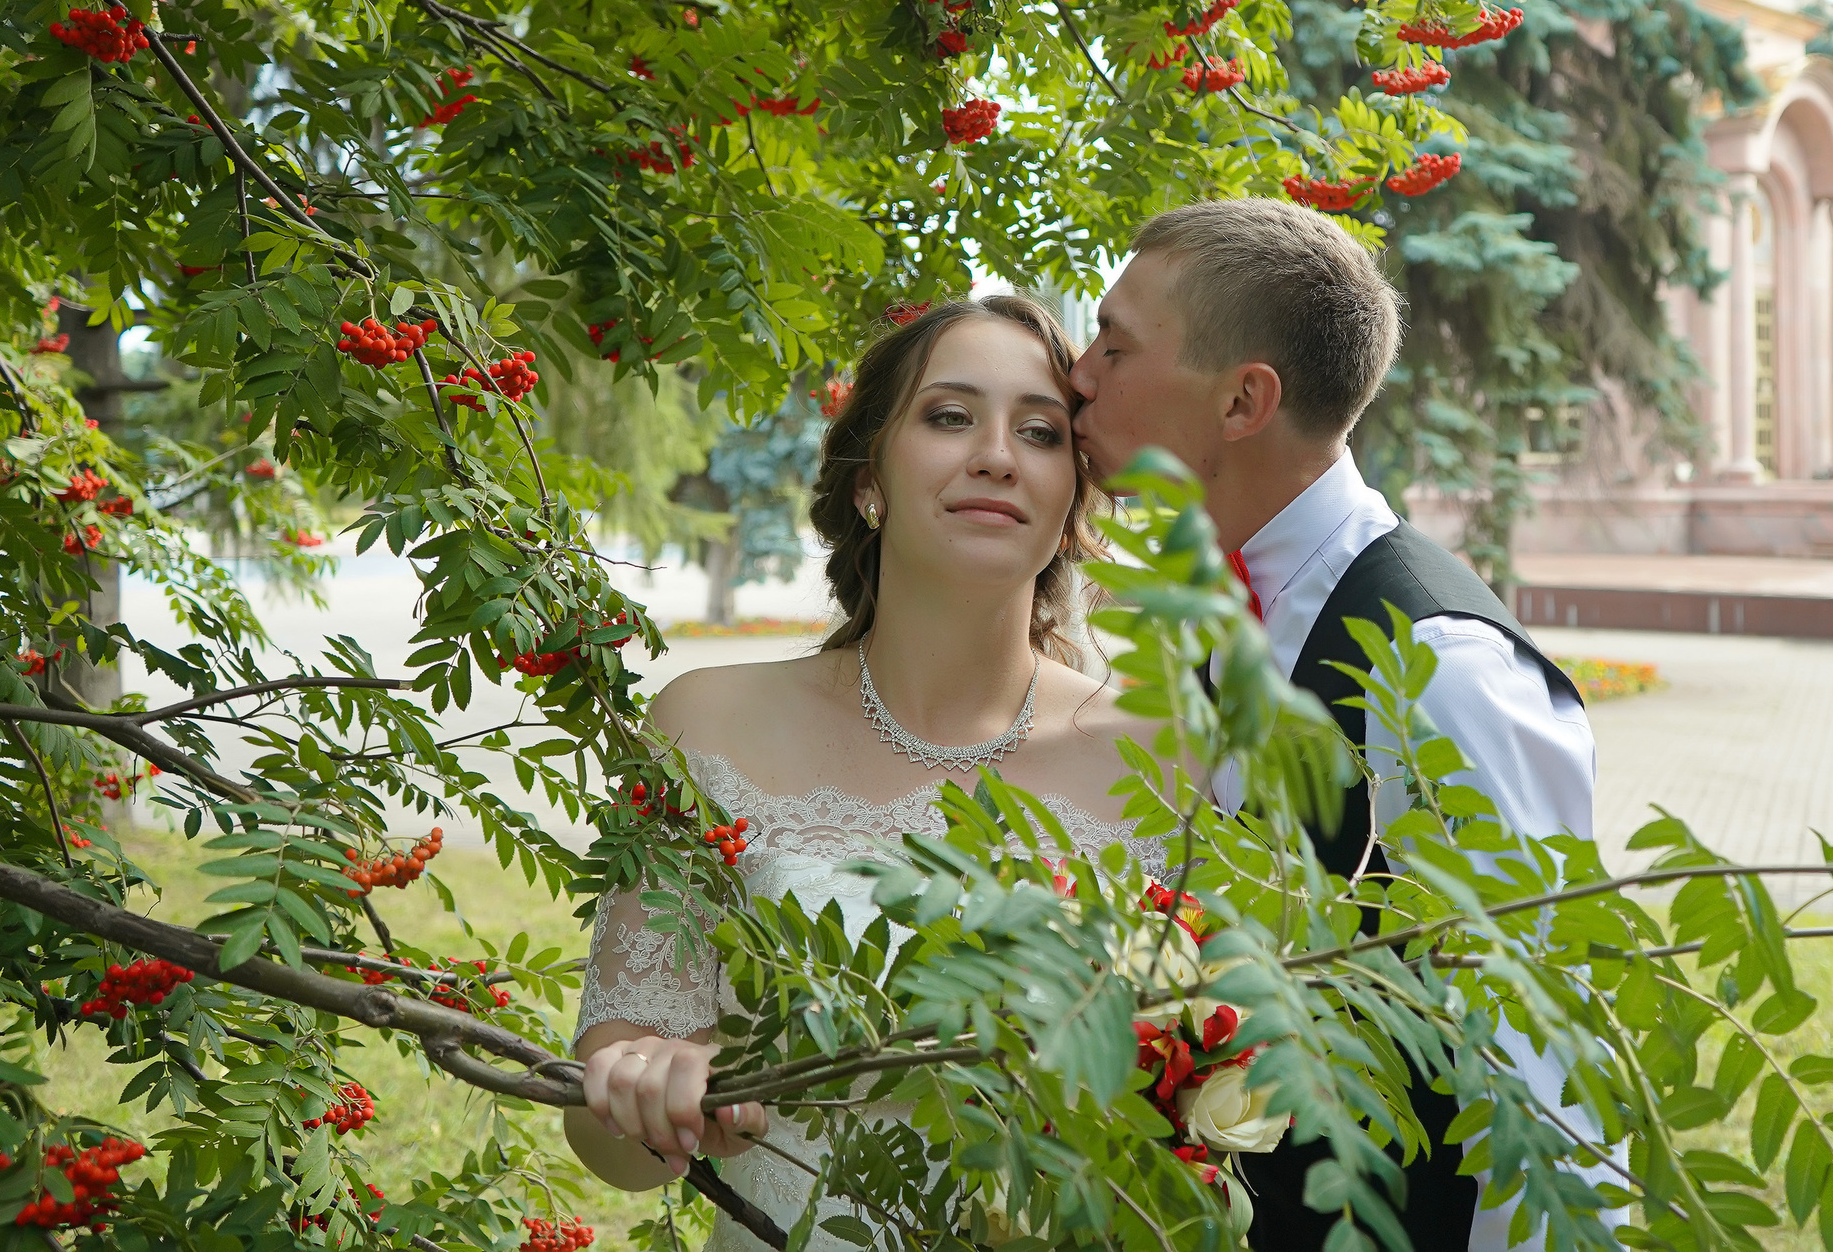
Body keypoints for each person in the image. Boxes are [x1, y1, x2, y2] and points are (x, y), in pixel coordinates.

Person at [565, 296, 1160, 1248]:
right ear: (868, 479)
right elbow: (612, 1145)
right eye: (949, 415)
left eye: (1041, 431)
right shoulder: (704, 724)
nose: (998, 455)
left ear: (1070, 500)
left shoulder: (1161, 760)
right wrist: (647, 1094)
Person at [1070, 198, 1605, 1252]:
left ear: (1241, 401)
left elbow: (1540, 1082)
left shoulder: (1443, 676)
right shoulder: (1192, 615)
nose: (1080, 372)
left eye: (1115, 346)